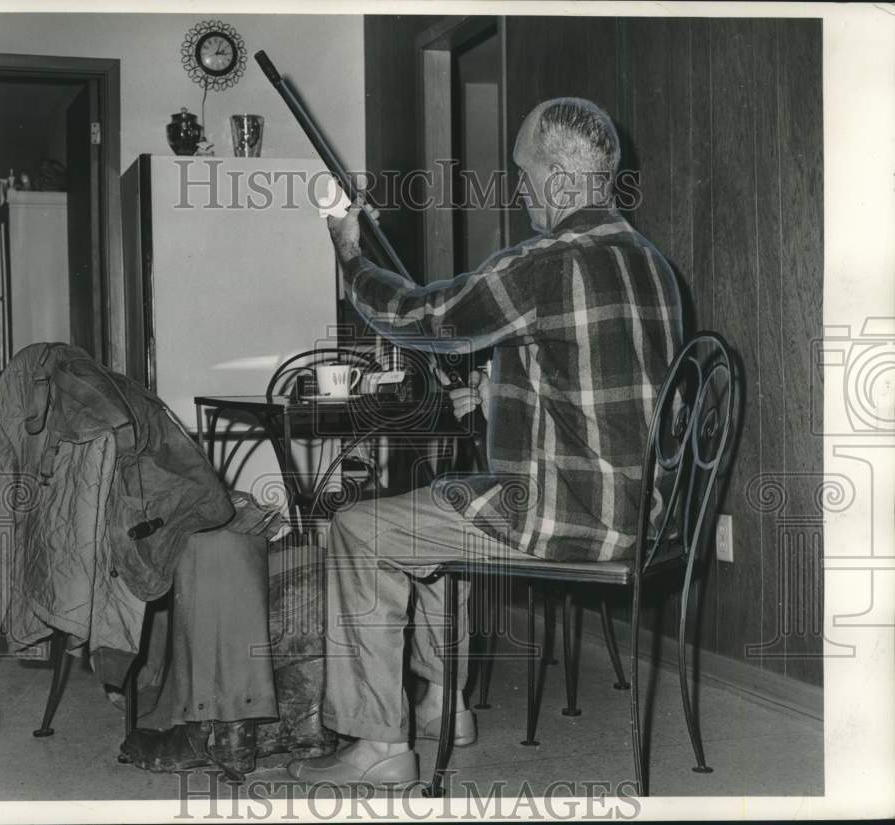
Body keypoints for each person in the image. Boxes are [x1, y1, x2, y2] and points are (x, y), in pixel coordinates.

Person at [287, 98, 683, 787]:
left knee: (357, 527)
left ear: (561, 178)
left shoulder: (546, 260)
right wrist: (494, 394)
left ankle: (379, 744)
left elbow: (423, 317)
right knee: (443, 505)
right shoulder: (653, 265)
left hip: (570, 518)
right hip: (649, 516)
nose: (522, 188)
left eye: (526, 174)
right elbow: (599, 385)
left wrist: (350, 257)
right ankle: (445, 705)